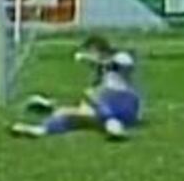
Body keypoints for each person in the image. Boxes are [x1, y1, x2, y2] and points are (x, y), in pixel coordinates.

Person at [11, 35, 142, 140]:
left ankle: (42, 125)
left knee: (88, 98)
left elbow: (124, 64)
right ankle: (45, 118)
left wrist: (98, 62)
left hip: (123, 102)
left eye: (91, 51)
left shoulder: (118, 58)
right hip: (113, 109)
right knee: (72, 114)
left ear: (97, 49)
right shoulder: (101, 74)